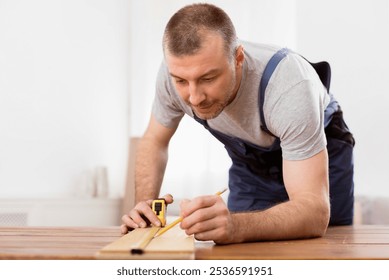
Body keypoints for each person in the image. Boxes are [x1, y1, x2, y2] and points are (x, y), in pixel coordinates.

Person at [121, 3, 355, 244]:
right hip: (251, 161)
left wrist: (236, 225)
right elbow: (155, 141)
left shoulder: (289, 88)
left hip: (318, 151)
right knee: (236, 247)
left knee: (323, 247)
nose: (194, 97)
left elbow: (314, 213)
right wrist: (144, 208)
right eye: (181, 81)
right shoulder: (173, 74)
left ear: (238, 58)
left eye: (208, 78)